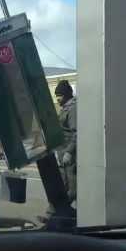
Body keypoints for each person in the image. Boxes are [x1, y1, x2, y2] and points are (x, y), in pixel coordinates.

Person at [38, 79, 77, 224]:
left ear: (66, 95)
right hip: (62, 155)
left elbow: (76, 132)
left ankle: (60, 216)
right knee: (61, 187)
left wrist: (69, 152)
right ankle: (53, 216)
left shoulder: (73, 109)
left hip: (69, 157)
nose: (57, 99)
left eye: (59, 95)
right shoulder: (66, 107)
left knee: (71, 189)